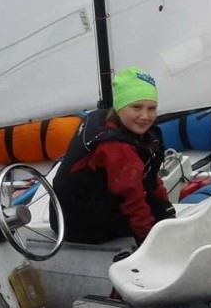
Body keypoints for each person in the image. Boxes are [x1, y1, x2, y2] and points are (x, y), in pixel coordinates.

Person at [52, 67, 176, 245]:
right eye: (136, 107)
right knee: (148, 221)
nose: (145, 116)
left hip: (65, 212)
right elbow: (133, 200)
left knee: (160, 212)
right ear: (119, 106)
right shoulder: (117, 146)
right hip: (79, 225)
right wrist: (149, 242)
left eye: (152, 108)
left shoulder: (110, 122)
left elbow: (148, 174)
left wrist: (165, 209)